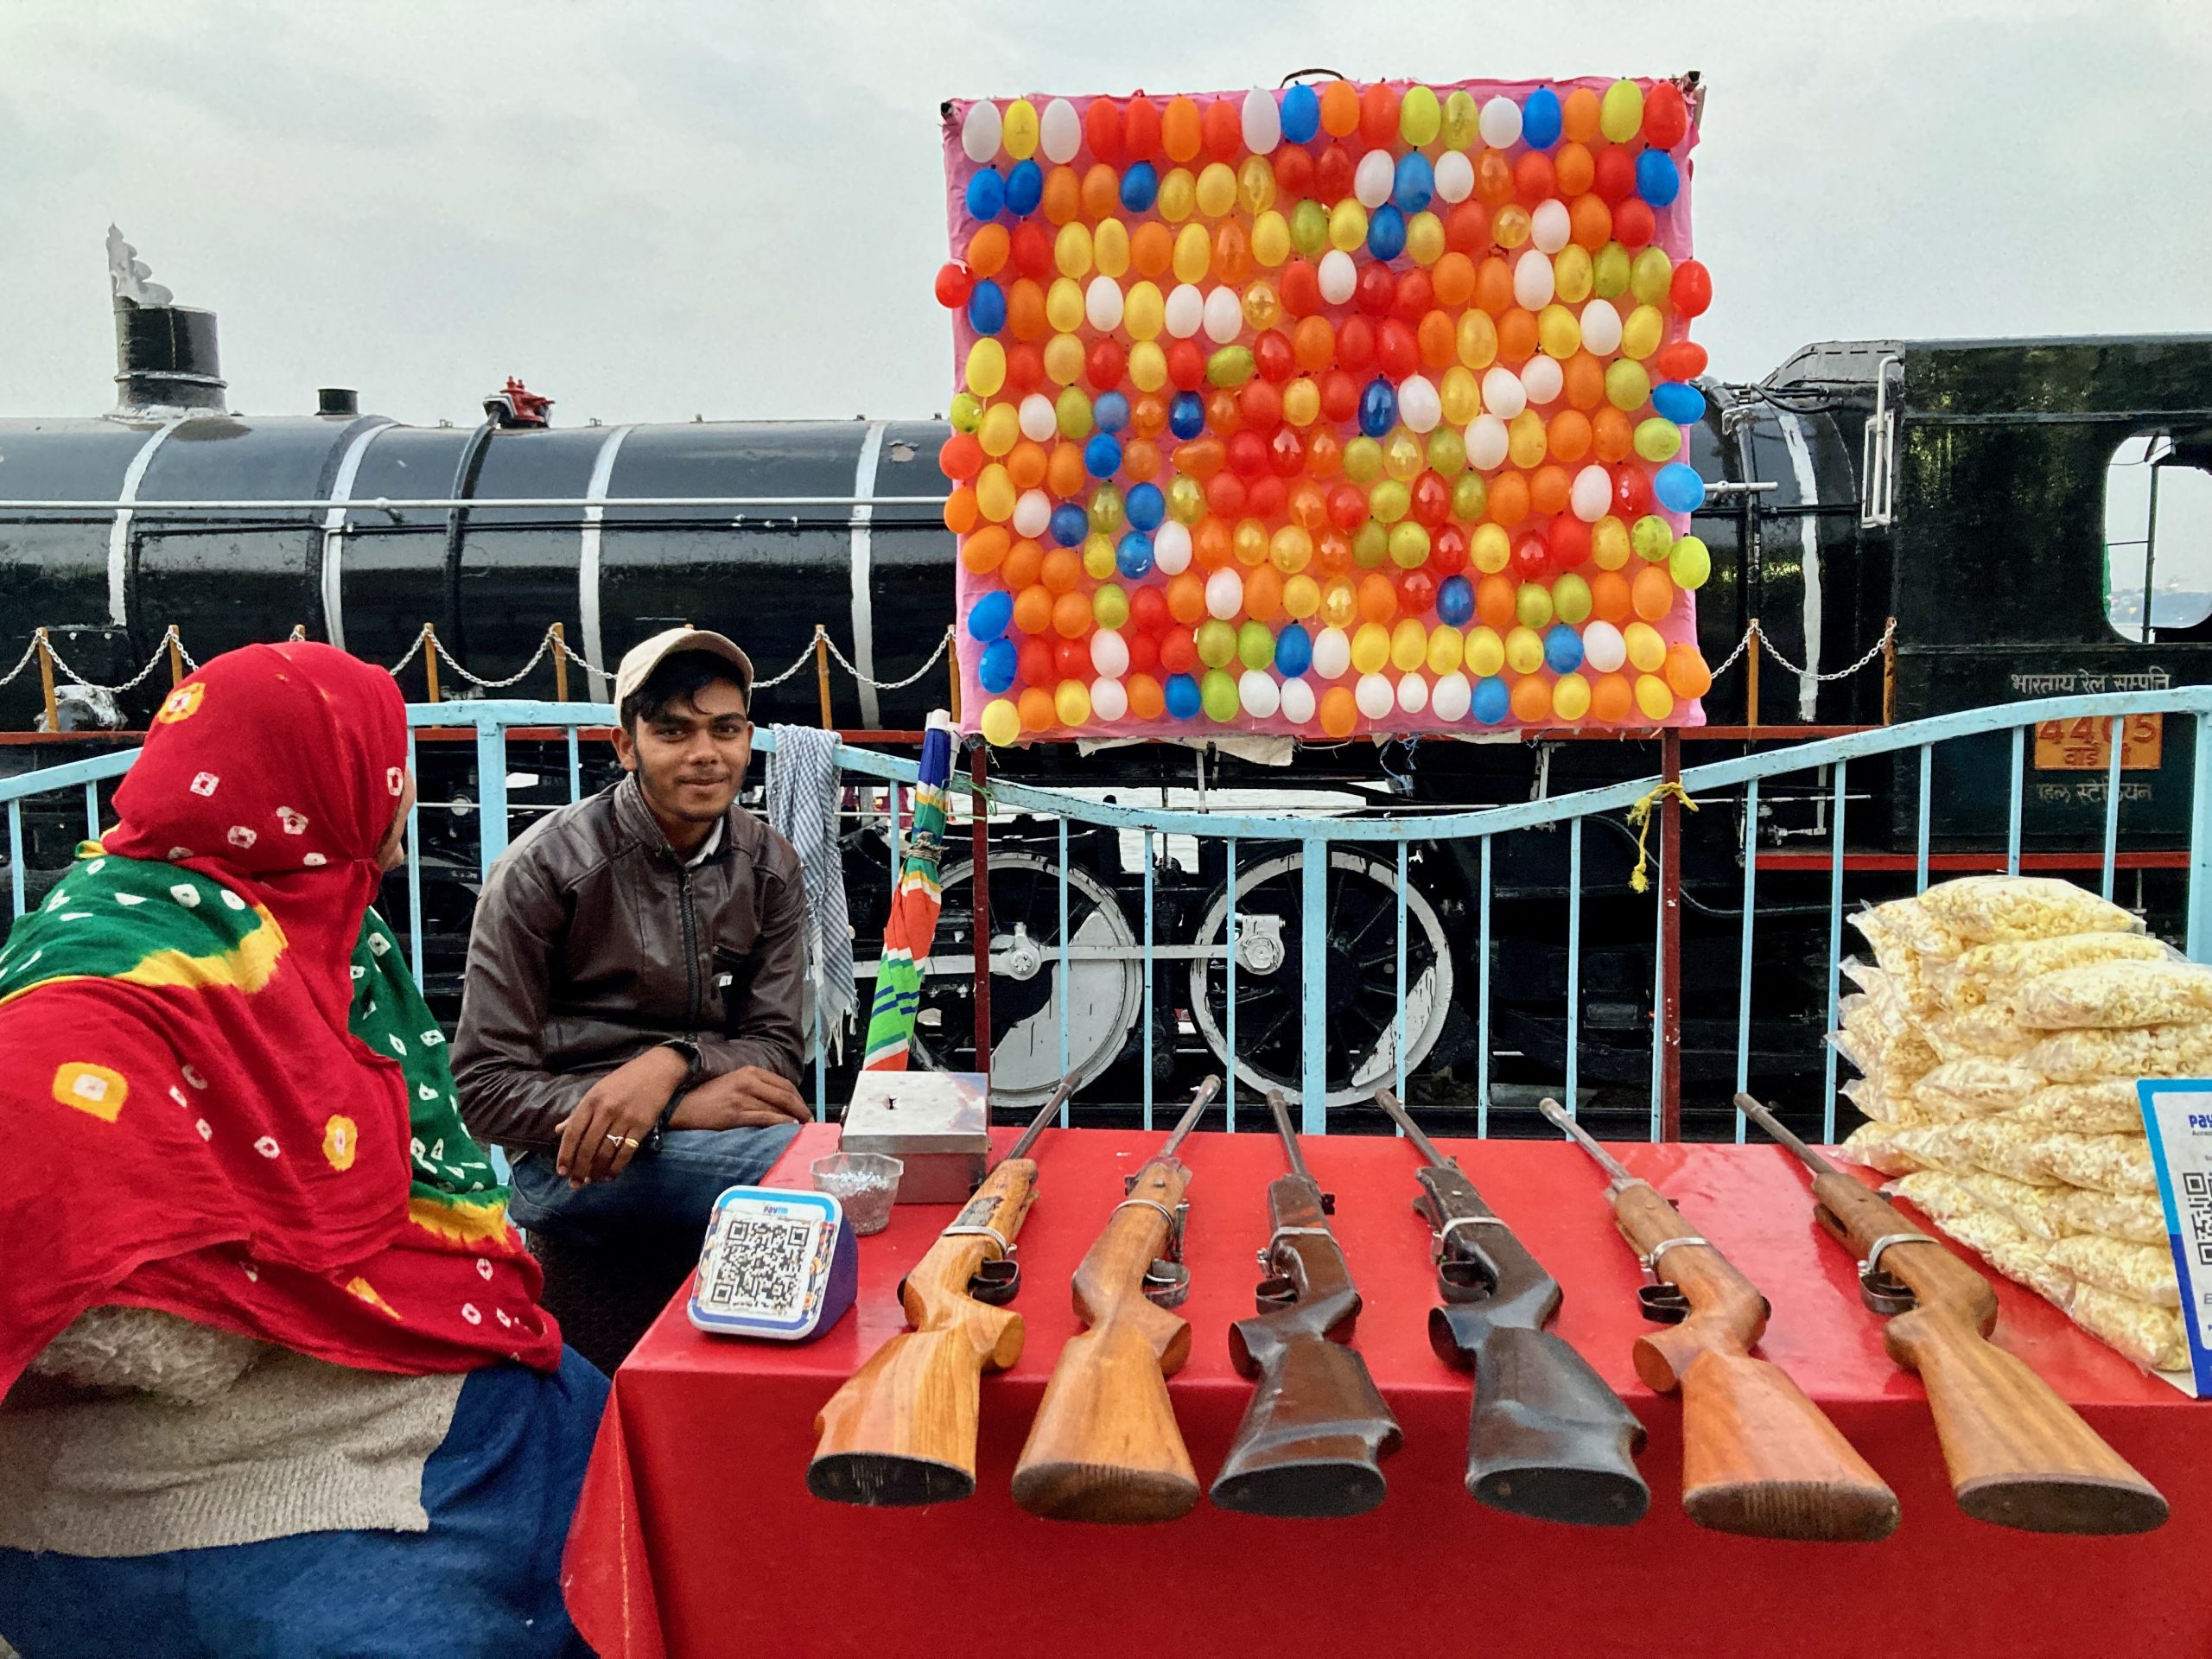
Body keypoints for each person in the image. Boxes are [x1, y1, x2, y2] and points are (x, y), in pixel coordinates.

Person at [0, 642, 604, 1659]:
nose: (401, 799)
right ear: (326, 781)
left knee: (574, 1395)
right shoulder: (117, 974)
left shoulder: (273, 919)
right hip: (224, 1415)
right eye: (387, 767)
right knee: (556, 1442)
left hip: (245, 1355)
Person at [454, 627, 813, 1247]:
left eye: (725, 730)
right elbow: (484, 1090)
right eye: (674, 732)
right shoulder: (545, 868)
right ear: (626, 746)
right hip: (568, 1160)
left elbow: (777, 1046)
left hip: (718, 1136)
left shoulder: (768, 865)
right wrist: (672, 1110)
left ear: (748, 739)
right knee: (813, 1172)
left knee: (848, 1161)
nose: (706, 753)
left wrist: (674, 1063)